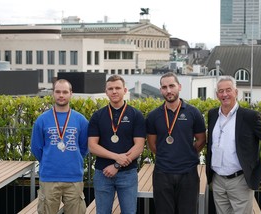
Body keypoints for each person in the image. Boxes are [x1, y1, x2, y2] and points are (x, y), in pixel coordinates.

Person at [206, 75, 261, 214]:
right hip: (218, 180)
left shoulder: (249, 117)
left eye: (228, 90)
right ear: (217, 94)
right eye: (221, 91)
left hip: (240, 181)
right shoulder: (213, 114)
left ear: (236, 92)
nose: (224, 94)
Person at [146, 72, 206, 214]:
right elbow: (152, 145)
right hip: (162, 173)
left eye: (172, 86)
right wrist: (167, 155)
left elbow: (201, 139)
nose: (168, 90)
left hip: (188, 173)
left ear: (179, 87)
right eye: (164, 87)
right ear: (160, 90)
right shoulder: (154, 116)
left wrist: (188, 152)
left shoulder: (193, 112)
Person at [88, 74, 145, 214]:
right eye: (111, 88)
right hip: (103, 173)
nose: (114, 91)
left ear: (125, 90)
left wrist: (116, 165)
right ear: (106, 92)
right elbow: (92, 145)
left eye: (118, 88)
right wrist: (116, 157)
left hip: (128, 174)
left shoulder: (136, 115)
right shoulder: (97, 116)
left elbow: (139, 146)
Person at [31, 79, 89, 214]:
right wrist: (49, 160)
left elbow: (84, 147)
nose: (61, 95)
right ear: (53, 94)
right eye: (58, 92)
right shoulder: (42, 120)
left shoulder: (80, 120)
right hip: (49, 177)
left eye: (65, 92)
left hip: (74, 177)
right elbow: (36, 148)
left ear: (71, 94)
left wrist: (74, 159)